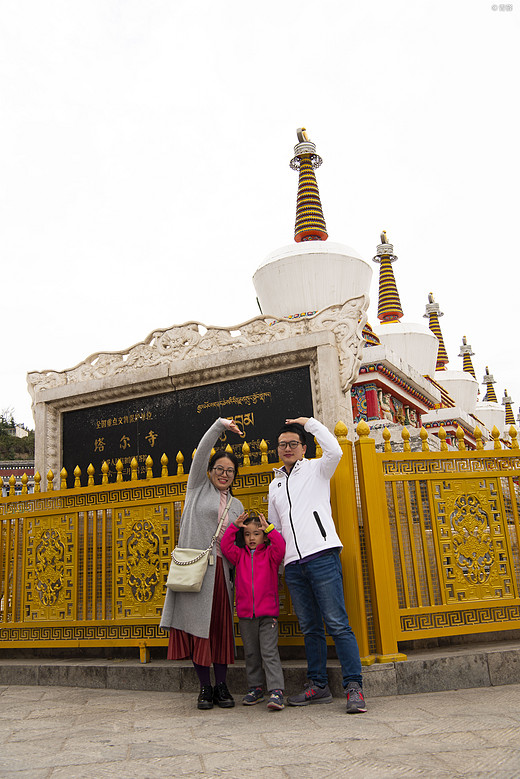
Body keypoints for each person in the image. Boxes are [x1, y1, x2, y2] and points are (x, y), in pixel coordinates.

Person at [268, 416, 367, 714]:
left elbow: (335, 451)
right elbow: (276, 527)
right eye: (283, 444)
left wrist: (309, 423)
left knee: (337, 623)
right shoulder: (275, 484)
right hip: (295, 566)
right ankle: (318, 685)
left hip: (322, 555)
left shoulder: (316, 469)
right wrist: (282, 563)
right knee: (310, 627)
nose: (287, 448)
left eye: (293, 444)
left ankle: (354, 687)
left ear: (303, 447)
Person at [160, 417, 247, 710]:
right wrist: (220, 425)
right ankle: (204, 688)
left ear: (235, 476)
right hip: (195, 571)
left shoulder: (237, 506)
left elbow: (236, 546)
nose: (224, 474)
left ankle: (222, 686)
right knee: (198, 631)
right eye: (219, 469)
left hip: (221, 575)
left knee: (220, 632)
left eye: (230, 471)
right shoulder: (197, 489)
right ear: (209, 472)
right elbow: (201, 450)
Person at [221, 511, 286, 710]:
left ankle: (276, 690)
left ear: (264, 536)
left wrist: (269, 528)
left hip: (268, 615)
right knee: (251, 653)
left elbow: (281, 547)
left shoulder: (270, 555)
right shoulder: (238, 556)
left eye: (256, 534)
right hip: (246, 614)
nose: (251, 538)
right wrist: (234, 526)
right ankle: (255, 688)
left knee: (269, 652)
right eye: (248, 534)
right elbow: (225, 546)